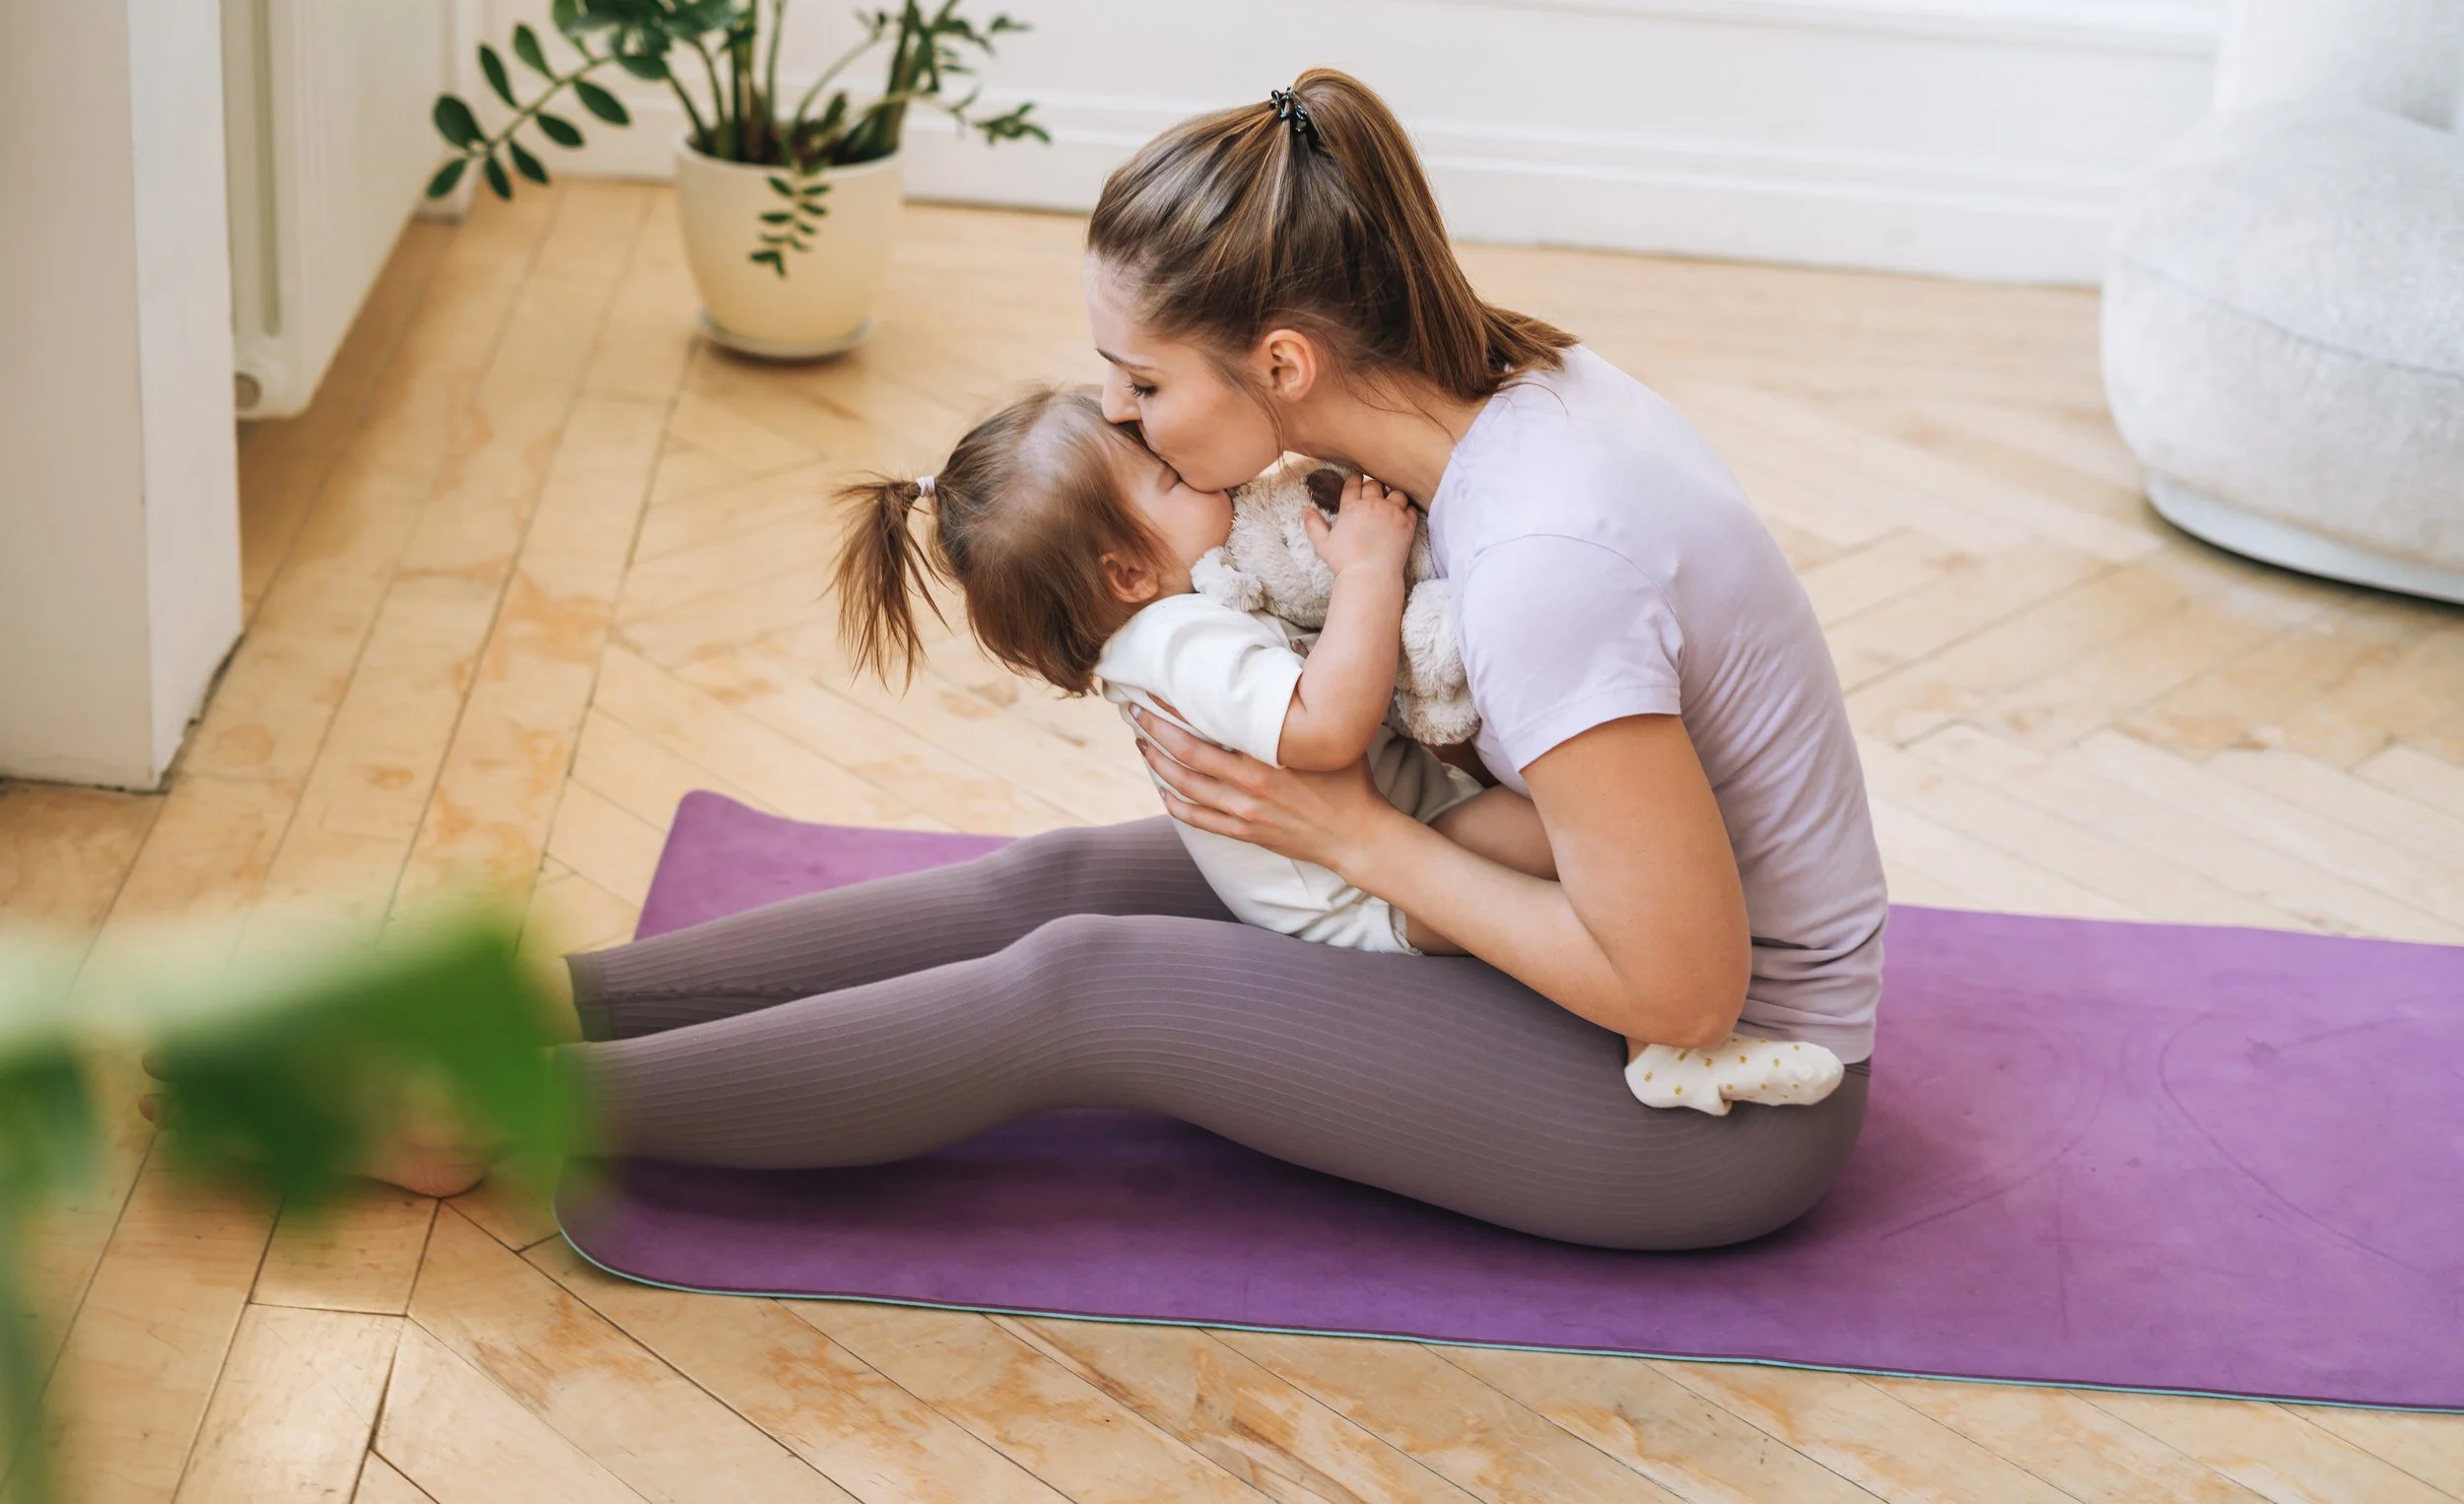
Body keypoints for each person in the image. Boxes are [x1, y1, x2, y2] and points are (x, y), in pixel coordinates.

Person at [306, 67, 1889, 1250]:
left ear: (1281, 361)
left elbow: (1685, 989)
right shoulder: (1497, 396)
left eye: (1137, 386)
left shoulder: (1551, 558)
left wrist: (1355, 833)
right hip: (1568, 933)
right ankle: (528, 1009)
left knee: (1085, 984)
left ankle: (492, 1113)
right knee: (1056, 882)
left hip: (1712, 1106)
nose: (1118, 422)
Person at [831, 383, 1845, 1117]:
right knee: (1582, 858)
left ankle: (1655, 996)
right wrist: (1369, 569)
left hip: (1387, 835)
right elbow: (1322, 728)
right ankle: (1662, 1043)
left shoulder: (1176, 621)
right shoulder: (1177, 639)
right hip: (1362, 900)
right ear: (1128, 570)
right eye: (1163, 477)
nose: (1186, 467)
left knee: (1584, 850)